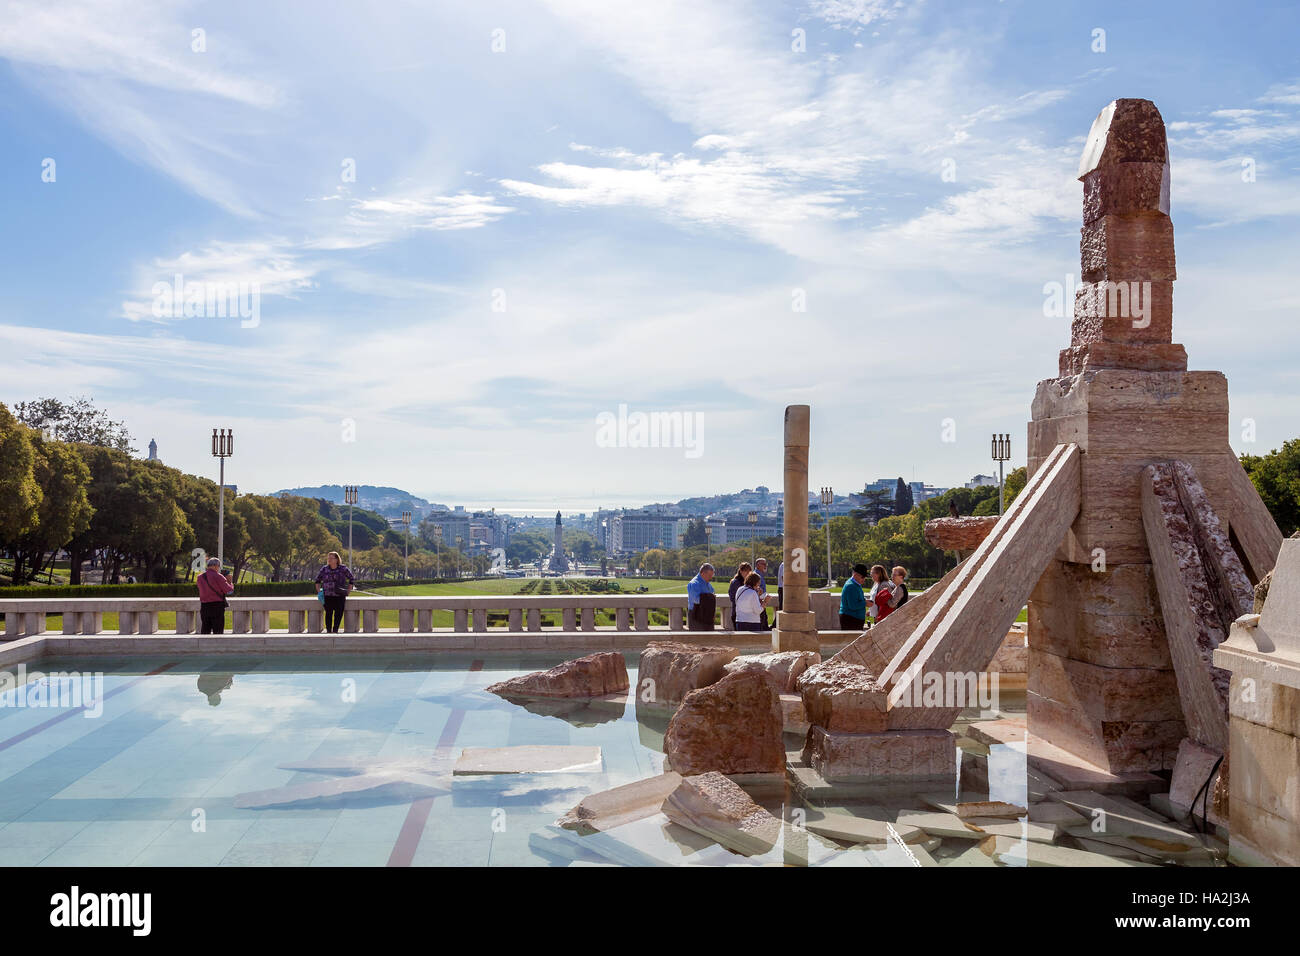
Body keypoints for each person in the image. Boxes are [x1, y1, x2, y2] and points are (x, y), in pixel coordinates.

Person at [314, 551, 355, 634]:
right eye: (328, 558)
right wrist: (319, 592)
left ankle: (335, 630)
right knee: (328, 614)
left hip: (340, 595)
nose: (329, 560)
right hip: (328, 595)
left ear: (337, 559)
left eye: (331, 558)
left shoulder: (343, 569)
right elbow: (317, 580)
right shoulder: (324, 569)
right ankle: (329, 631)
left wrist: (348, 591)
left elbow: (352, 579)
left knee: (338, 614)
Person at [196, 557, 234, 634]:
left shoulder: (200, 577)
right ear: (216, 566)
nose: (218, 568)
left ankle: (204, 645)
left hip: (204, 606)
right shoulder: (219, 576)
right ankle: (217, 646)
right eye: (219, 566)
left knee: (205, 629)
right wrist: (230, 582)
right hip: (217, 606)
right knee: (218, 630)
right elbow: (229, 591)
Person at [839, 563, 869, 631]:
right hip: (851, 620)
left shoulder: (855, 584)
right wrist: (865, 603)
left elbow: (857, 599)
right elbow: (853, 606)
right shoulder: (851, 586)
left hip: (853, 619)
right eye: (862, 577)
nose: (864, 579)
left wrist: (864, 600)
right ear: (856, 574)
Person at [687, 563, 716, 630]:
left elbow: (712, 594)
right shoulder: (694, 583)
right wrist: (710, 597)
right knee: (698, 638)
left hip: (707, 614)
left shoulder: (708, 584)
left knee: (709, 638)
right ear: (703, 573)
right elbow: (696, 600)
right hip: (697, 614)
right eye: (709, 575)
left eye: (712, 575)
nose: (711, 577)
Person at [727, 562, 752, 630]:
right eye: (746, 571)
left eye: (749, 571)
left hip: (747, 614)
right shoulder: (736, 582)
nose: (748, 573)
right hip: (738, 614)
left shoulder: (749, 582)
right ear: (741, 571)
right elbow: (733, 598)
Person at [754, 557, 771, 629]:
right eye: (763, 564)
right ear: (757, 565)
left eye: (766, 564)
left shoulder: (760, 575)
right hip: (759, 603)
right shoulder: (756, 575)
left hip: (761, 602)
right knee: (763, 624)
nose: (765, 566)